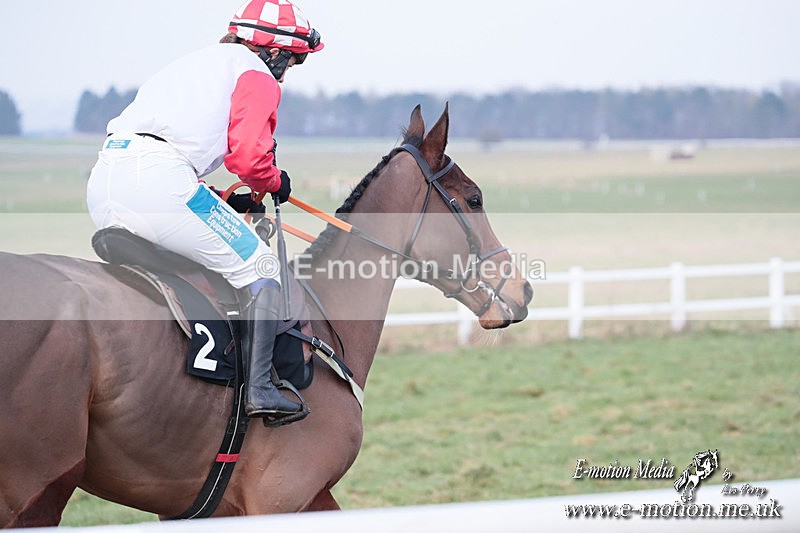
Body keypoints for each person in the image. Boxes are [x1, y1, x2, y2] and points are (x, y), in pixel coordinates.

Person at [86, 0, 324, 423]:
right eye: (293, 61)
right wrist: (273, 182)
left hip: (108, 179)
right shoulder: (257, 74)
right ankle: (260, 389)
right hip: (161, 186)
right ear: (274, 50)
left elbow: (175, 154)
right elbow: (250, 159)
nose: (287, 72)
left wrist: (223, 199)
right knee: (263, 265)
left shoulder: (195, 65)